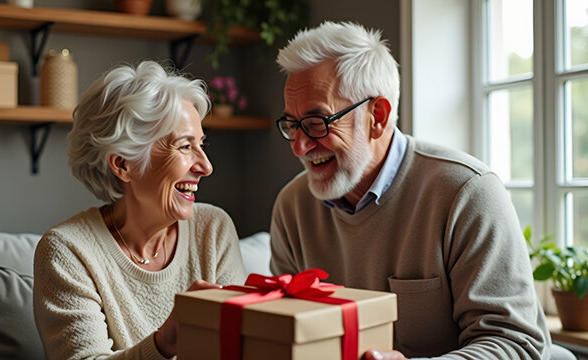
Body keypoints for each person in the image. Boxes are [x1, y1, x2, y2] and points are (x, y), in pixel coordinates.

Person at [269, 21, 555, 359]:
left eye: (317, 123)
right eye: (292, 124)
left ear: (377, 115)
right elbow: (286, 331)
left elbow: (516, 344)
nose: (299, 146)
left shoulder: (467, 192)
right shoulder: (293, 205)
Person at [33, 61, 245, 359]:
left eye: (201, 144)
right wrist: (164, 343)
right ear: (123, 164)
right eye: (185, 147)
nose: (206, 166)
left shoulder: (213, 229)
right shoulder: (68, 252)